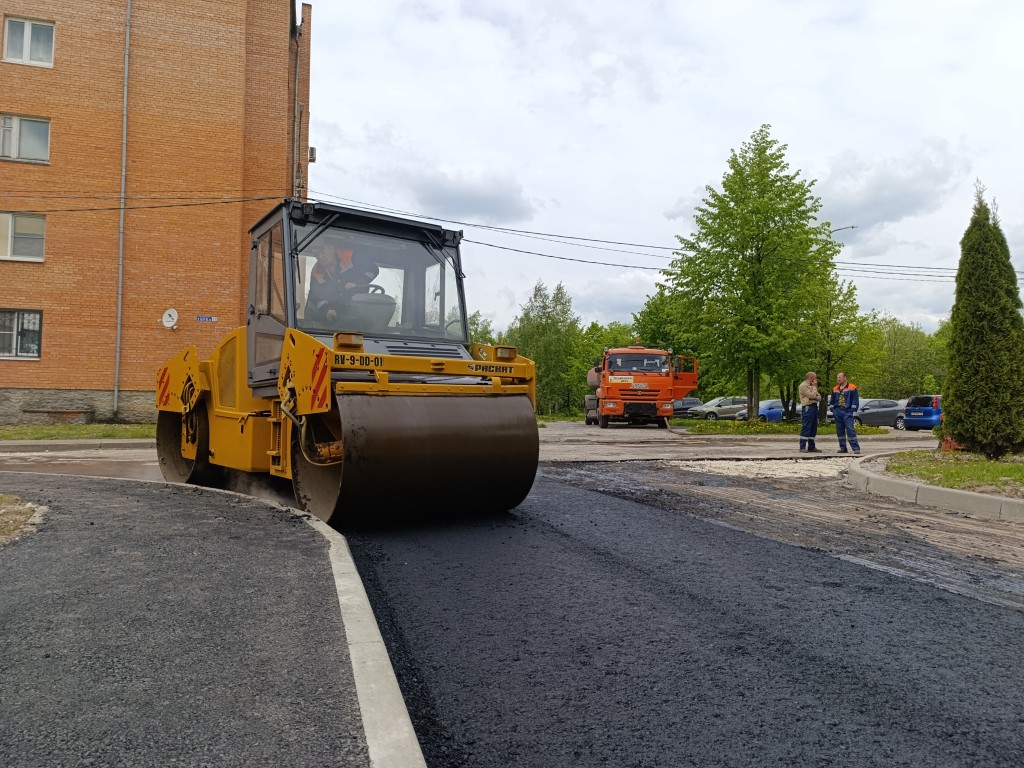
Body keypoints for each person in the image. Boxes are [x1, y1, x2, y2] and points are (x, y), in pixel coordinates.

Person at [305, 240, 378, 326]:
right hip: (336, 314)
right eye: (316, 255)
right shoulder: (316, 273)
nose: (320, 257)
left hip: (358, 309)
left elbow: (373, 269)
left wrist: (358, 283)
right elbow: (317, 298)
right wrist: (327, 310)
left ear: (332, 248)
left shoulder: (351, 256)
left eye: (322, 252)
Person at [829, 371, 861, 455]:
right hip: (838, 411)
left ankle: (855, 448)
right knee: (840, 430)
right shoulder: (835, 388)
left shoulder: (852, 387)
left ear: (845, 378)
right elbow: (832, 400)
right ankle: (843, 448)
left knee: (850, 429)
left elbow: (855, 399)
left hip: (847, 411)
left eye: (839, 377)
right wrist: (833, 408)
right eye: (837, 377)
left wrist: (852, 410)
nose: (838, 379)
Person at [798, 371, 822, 453]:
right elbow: (812, 395)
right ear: (811, 378)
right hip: (808, 407)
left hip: (814, 406)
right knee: (806, 426)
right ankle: (802, 446)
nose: (816, 380)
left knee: (813, 427)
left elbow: (819, 397)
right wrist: (815, 388)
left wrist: (814, 396)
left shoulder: (811, 386)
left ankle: (811, 446)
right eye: (815, 378)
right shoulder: (803, 386)